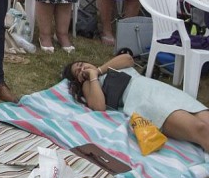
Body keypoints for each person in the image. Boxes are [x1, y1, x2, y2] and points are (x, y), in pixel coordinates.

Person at [62, 53, 209, 151]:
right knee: (200, 129)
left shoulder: (107, 67)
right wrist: (93, 76)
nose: (83, 67)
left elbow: (128, 58)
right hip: (145, 101)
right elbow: (99, 106)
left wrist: (99, 69)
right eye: (78, 70)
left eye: (81, 63)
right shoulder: (90, 83)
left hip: (162, 90)